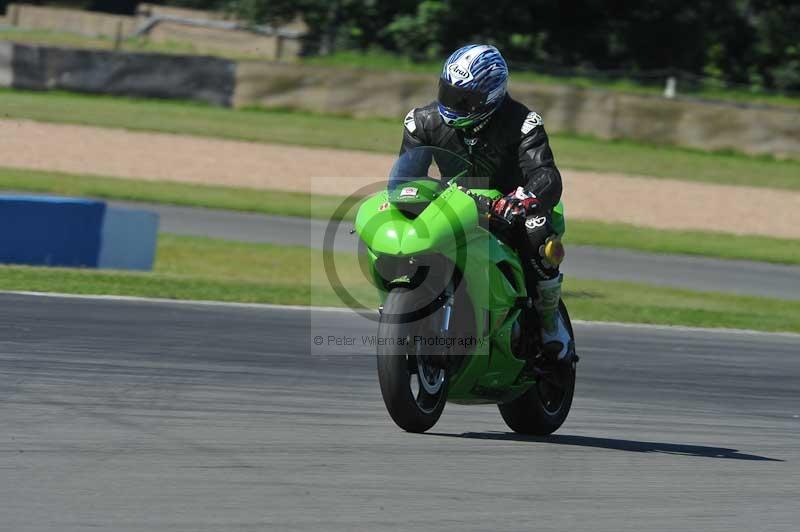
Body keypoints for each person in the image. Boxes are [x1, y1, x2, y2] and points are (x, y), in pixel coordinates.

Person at [399, 44, 572, 362]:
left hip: (510, 208)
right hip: (455, 203)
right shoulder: (421, 122)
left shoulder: (523, 123)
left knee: (537, 232)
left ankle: (550, 323)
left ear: (490, 96)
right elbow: (407, 178)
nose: (452, 105)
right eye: (448, 93)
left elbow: (546, 174)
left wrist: (523, 200)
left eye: (464, 99)